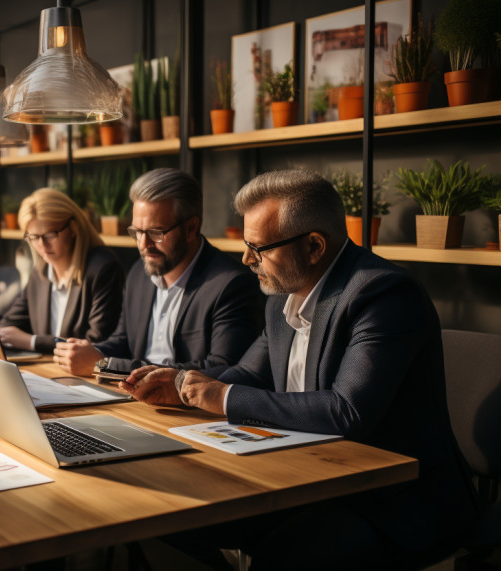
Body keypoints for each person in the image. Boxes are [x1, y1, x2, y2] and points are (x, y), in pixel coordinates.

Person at [124, 170, 478, 568]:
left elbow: (347, 411)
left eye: (258, 248)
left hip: (392, 501)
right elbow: (249, 374)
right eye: (246, 245)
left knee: (285, 554)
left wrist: (218, 396)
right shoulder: (282, 292)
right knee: (162, 518)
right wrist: (181, 384)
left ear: (313, 246)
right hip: (305, 478)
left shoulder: (384, 294)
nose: (246, 260)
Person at [54, 168, 263, 377]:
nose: (144, 244)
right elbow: (123, 341)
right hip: (129, 397)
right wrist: (89, 353)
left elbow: (222, 369)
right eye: (136, 232)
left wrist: (105, 364)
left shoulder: (231, 284)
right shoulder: (139, 272)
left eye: (156, 233)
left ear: (191, 228)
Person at [0, 188, 124, 354]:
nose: (41, 245)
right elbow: (6, 327)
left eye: (50, 235)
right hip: (46, 372)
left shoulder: (102, 268)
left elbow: (97, 345)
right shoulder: (40, 273)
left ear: (72, 228)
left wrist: (33, 342)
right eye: (33, 237)